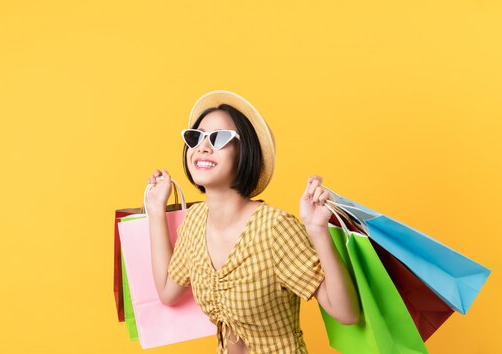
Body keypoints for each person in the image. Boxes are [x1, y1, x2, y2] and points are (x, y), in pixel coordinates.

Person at [145, 90, 359, 354]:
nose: (203, 146)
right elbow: (168, 291)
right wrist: (155, 210)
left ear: (244, 151)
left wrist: (317, 231)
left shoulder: (274, 228)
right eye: (196, 137)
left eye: (219, 138)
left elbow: (346, 313)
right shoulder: (195, 222)